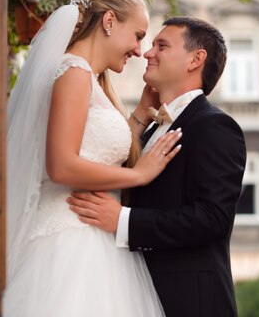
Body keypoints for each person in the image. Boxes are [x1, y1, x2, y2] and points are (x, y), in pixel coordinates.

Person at [0, 0, 182, 317]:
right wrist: (137, 175)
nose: (139, 49)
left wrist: (140, 116)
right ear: (110, 21)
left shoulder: (87, 77)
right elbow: (61, 165)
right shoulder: (73, 72)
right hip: (67, 243)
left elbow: (92, 148)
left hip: (91, 238)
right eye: (138, 34)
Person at [68, 16, 248, 317]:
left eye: (161, 46)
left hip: (188, 303)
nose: (147, 53)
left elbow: (213, 218)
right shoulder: (154, 128)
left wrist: (123, 221)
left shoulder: (214, 126)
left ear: (195, 59)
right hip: (135, 293)